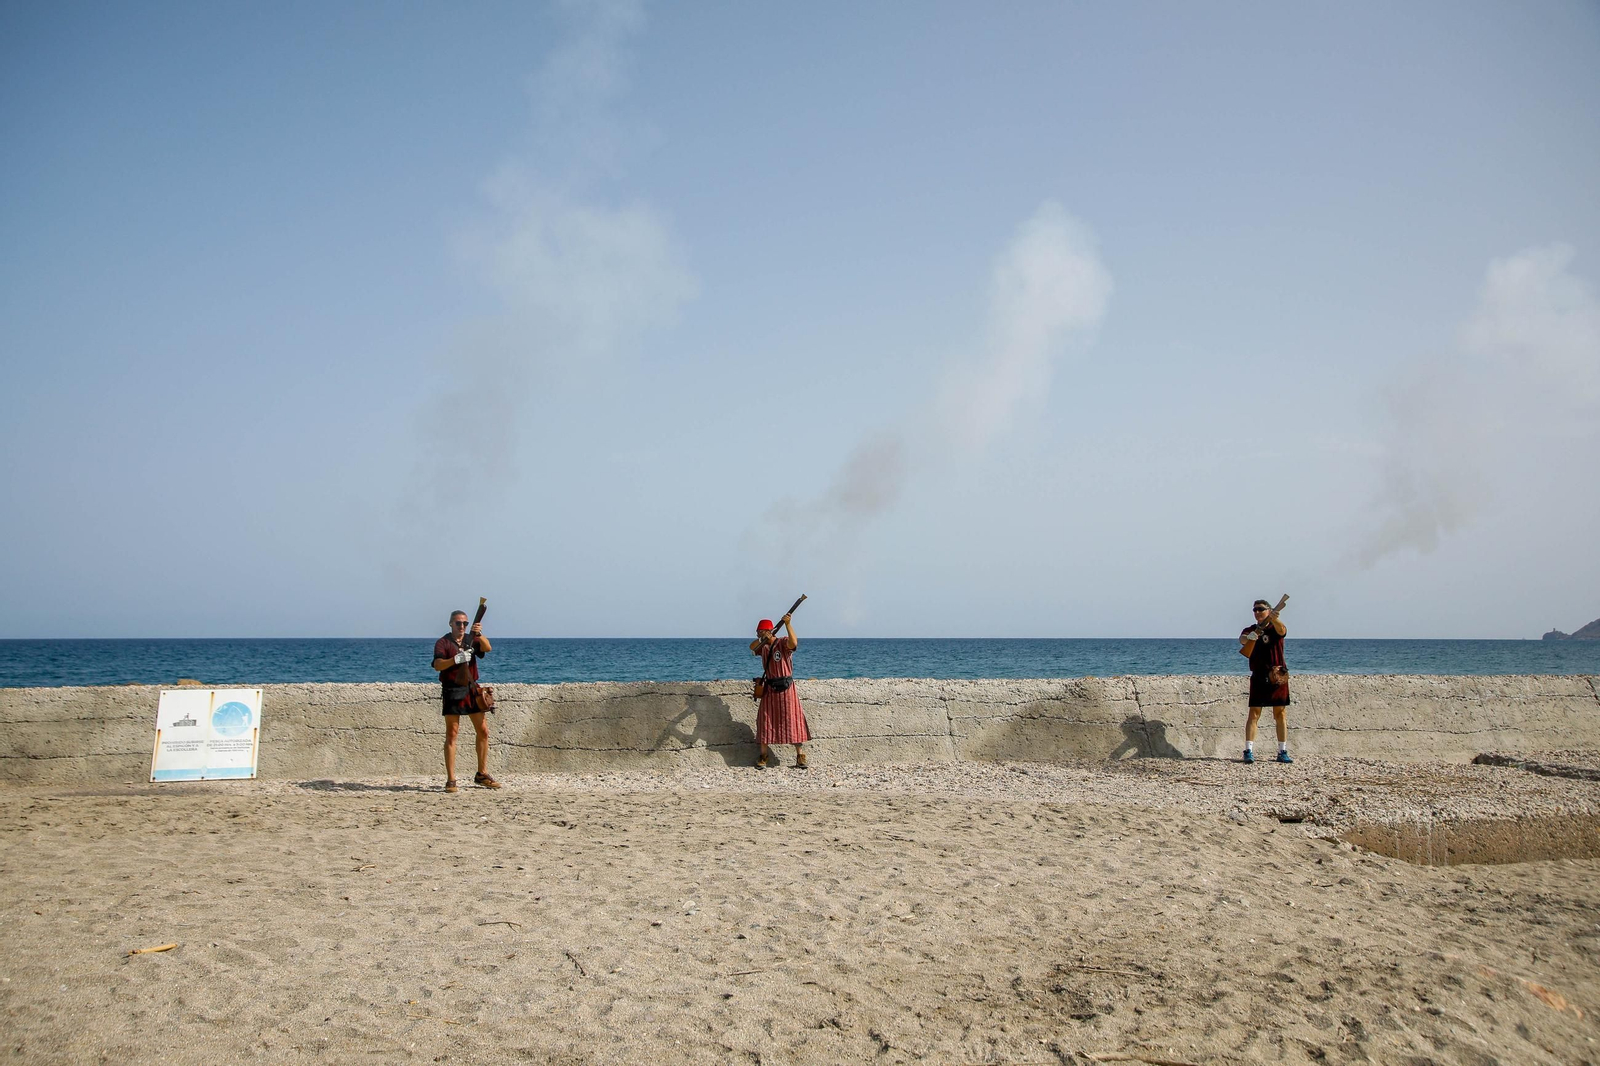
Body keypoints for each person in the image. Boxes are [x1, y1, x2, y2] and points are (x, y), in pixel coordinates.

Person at [431, 609, 500, 792]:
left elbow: (487, 648)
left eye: (465, 624)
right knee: (452, 734)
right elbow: (438, 665)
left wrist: (479, 633)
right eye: (458, 623)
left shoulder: (471, 640)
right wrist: (455, 659)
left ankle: (482, 773)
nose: (462, 626)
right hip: (453, 690)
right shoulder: (443, 642)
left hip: (471, 690)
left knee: (483, 731)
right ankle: (451, 779)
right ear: (451, 624)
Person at [749, 613, 809, 769]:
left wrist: (788, 624)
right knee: (765, 721)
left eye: (760, 632)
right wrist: (763, 639)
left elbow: (793, 642)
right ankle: (763, 756)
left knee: (793, 721)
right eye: (758, 633)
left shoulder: (782, 643)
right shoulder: (763, 647)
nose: (758, 635)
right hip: (770, 688)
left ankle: (800, 756)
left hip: (787, 689)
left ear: (767, 631)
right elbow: (752, 647)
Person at [1240, 599, 1291, 763]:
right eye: (1254, 610)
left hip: (1277, 675)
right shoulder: (1251, 629)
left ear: (1268, 610)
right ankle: (1248, 750)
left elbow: (1282, 630)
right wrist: (1250, 637)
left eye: (1260, 609)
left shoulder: (1275, 627)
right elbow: (1242, 639)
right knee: (1254, 713)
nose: (1257, 612)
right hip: (1259, 675)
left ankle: (1282, 751)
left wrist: (1274, 618)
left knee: (1280, 713)